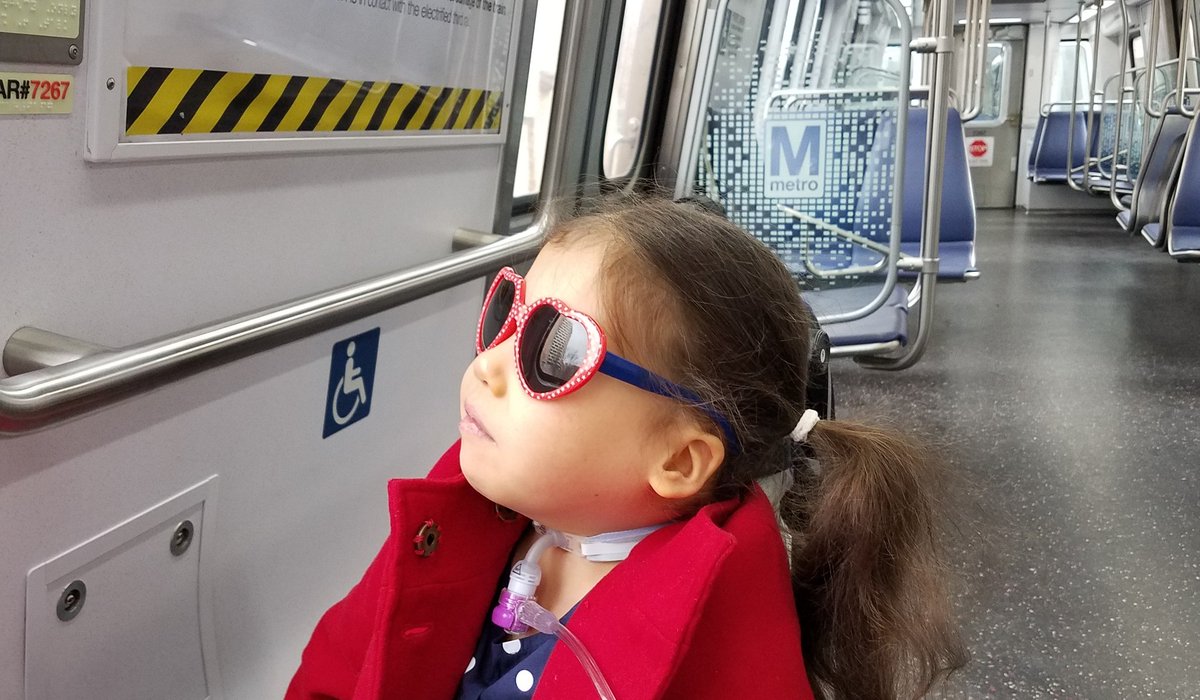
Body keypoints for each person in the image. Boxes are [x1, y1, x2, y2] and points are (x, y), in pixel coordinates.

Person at [286, 195, 968, 700]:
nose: (490, 365)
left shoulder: (724, 645)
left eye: (552, 355)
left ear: (676, 460)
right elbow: (340, 667)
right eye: (507, 315)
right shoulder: (471, 520)